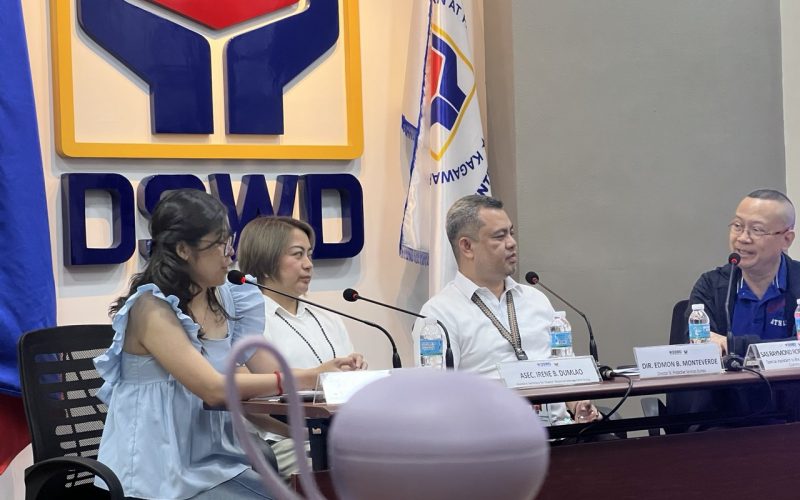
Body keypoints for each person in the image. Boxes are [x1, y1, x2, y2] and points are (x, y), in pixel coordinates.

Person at [94, 190, 359, 499]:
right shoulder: (151, 310)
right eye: (219, 245)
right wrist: (310, 376)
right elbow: (214, 389)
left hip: (218, 462)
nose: (230, 255)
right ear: (183, 250)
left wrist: (326, 377)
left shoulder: (226, 297)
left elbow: (267, 376)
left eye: (229, 242)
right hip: (157, 472)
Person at [419, 194, 600, 425]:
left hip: (561, 434)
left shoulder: (536, 299)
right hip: (492, 439)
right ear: (467, 246)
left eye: (511, 233)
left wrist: (578, 404)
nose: (512, 243)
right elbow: (439, 395)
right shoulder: (438, 314)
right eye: (500, 236)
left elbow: (566, 368)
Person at [236, 215, 366, 478]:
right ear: (266, 259)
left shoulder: (329, 319)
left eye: (310, 254)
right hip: (281, 442)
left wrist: (355, 373)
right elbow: (245, 402)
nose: (308, 264)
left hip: (340, 435)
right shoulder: (245, 322)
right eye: (297, 255)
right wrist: (307, 433)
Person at [687, 189, 799, 355]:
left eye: (757, 229)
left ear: (786, 239)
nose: (743, 238)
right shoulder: (711, 285)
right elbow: (696, 344)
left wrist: (732, 345)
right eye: (737, 226)